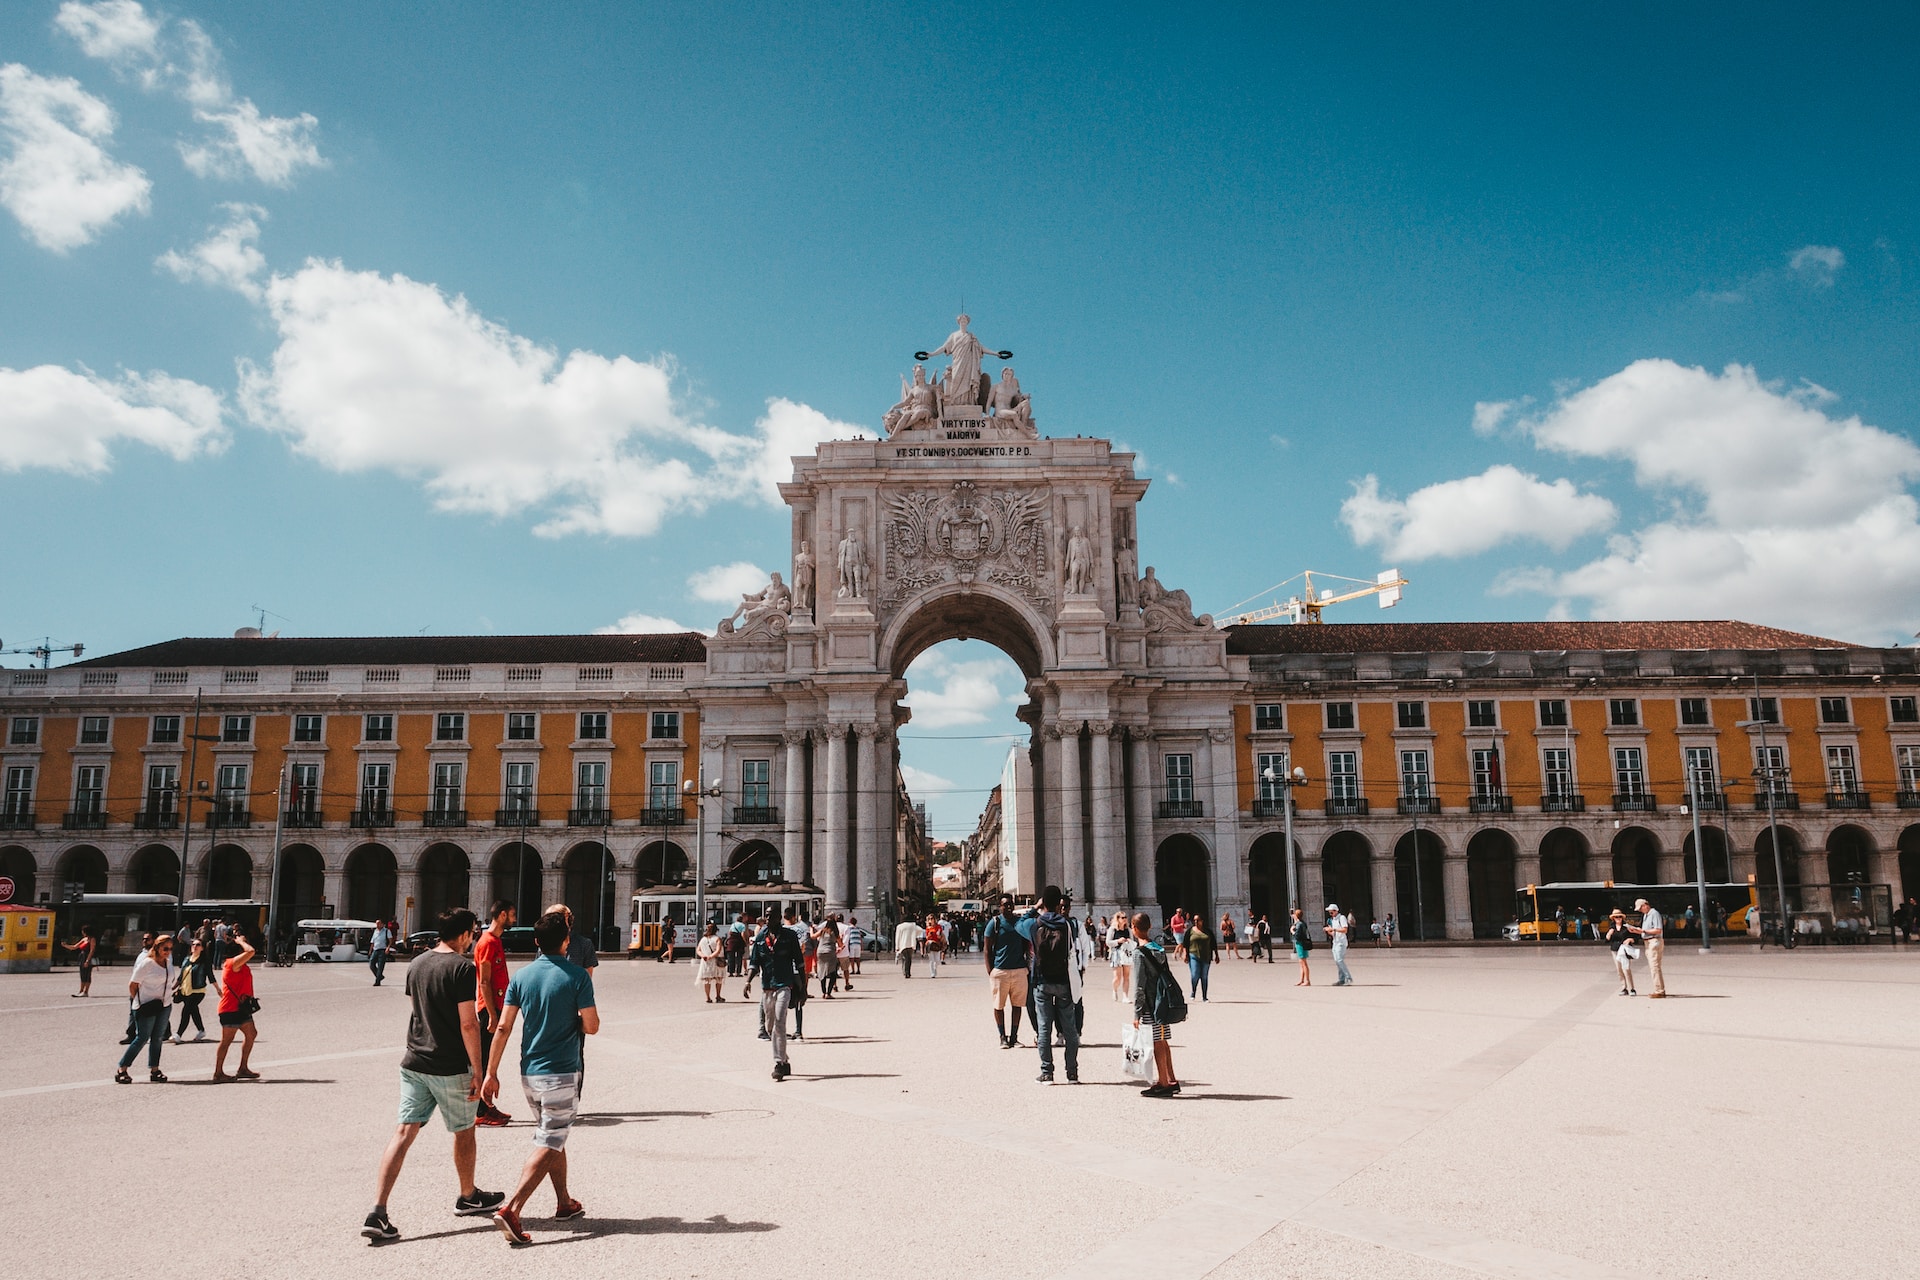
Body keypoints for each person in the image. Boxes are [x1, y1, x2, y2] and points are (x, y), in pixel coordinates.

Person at [361, 908, 504, 1241]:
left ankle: (377, 1211)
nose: (473, 938)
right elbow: (468, 1023)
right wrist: (479, 1070)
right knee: (464, 1131)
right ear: (464, 933)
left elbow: (418, 1011)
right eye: (472, 932)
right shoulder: (461, 968)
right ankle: (468, 1196)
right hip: (450, 1065)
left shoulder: (417, 963)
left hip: (414, 1062)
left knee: (403, 1133)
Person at [482, 910, 599, 1246]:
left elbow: (502, 1027)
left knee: (551, 1133)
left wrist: (491, 1073)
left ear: (536, 942)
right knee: (550, 1139)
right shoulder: (578, 977)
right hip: (561, 1071)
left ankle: (563, 1202)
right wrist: (574, 1021)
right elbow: (591, 1025)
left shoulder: (522, 977)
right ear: (566, 941)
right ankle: (512, 1209)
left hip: (528, 1073)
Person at [1026, 886, 1080, 1084]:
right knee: (1070, 1029)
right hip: (1063, 980)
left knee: (1044, 1028)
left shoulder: (1034, 923)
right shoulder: (1067, 925)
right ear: (1059, 904)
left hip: (1041, 981)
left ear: (1043, 902)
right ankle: (1072, 1073)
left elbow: (1019, 924)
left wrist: (1035, 908)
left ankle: (1047, 1072)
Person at [1130, 911, 1182, 1097]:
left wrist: (1137, 1013)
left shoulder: (1139, 953)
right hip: (1163, 1000)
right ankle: (1171, 1079)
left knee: (1158, 1042)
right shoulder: (1158, 948)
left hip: (1152, 1005)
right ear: (1150, 927)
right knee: (1163, 1040)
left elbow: (1139, 986)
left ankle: (1163, 1083)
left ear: (1134, 929)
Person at [473, 900, 515, 1126]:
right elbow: (485, 981)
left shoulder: (495, 940)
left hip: (496, 1007)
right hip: (489, 1009)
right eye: (511, 914)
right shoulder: (487, 942)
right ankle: (480, 1111)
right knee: (483, 1061)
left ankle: (486, 1106)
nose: (514, 919)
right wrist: (491, 1014)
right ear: (501, 915)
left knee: (489, 1060)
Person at [114, 934, 176, 1084]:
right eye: (165, 948)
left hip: (164, 1005)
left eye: (170, 949)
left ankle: (154, 1069)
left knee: (158, 1038)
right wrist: (139, 1002)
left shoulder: (168, 963)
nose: (168, 951)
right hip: (146, 1005)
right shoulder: (147, 963)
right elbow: (133, 984)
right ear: (157, 947)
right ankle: (122, 1068)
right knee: (142, 1038)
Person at [751, 909, 804, 1081]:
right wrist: (747, 982)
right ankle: (785, 1059)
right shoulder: (760, 938)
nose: (767, 918)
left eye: (770, 915)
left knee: (780, 1022)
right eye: (765, 915)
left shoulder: (789, 936)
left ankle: (779, 1063)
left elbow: (799, 962)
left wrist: (803, 988)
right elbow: (754, 962)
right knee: (770, 1026)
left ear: (778, 918)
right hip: (768, 986)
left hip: (784, 984)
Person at [982, 895, 1032, 1048]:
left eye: (1010, 904)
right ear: (1000, 906)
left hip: (1018, 969)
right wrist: (990, 971)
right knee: (999, 1005)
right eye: (1005, 905)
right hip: (1000, 970)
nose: (1008, 907)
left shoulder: (1019, 922)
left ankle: (1014, 1037)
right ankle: (1002, 1036)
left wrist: (1025, 965)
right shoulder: (995, 923)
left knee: (1017, 1005)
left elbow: (1026, 943)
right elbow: (987, 949)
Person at [212, 926, 260, 1082]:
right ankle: (218, 1072)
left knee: (251, 1034)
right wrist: (241, 942)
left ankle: (243, 1068)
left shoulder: (241, 965)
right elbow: (251, 951)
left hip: (241, 1008)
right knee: (227, 1040)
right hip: (230, 1008)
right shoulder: (232, 964)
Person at [172, 938, 215, 1043]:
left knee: (186, 1011)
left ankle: (178, 1035)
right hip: (185, 991)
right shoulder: (186, 959)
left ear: (202, 948)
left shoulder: (204, 961)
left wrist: (218, 989)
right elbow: (181, 976)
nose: (195, 946)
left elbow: (210, 976)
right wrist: (172, 988)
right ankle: (201, 1030)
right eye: (193, 944)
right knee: (194, 1011)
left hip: (198, 991)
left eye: (198, 945)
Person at [1630, 898, 1666, 998]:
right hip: (1648, 941)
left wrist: (1643, 931)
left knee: (1654, 966)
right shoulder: (1646, 915)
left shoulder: (1654, 914)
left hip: (1654, 941)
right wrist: (1637, 931)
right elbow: (1645, 931)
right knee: (1654, 966)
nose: (1640, 911)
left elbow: (1658, 930)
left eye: (1641, 908)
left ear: (1646, 905)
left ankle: (1659, 990)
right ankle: (1659, 989)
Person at [1603, 909, 1638, 996]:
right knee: (1619, 970)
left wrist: (1630, 939)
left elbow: (1636, 938)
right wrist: (1608, 934)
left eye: (1619, 917)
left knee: (1626, 969)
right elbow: (1607, 940)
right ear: (1613, 918)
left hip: (1625, 950)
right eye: (1616, 917)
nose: (1618, 918)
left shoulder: (1627, 927)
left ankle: (1632, 988)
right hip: (1615, 950)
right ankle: (1624, 987)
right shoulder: (1612, 928)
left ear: (1622, 918)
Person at [1185, 914, 1215, 1000]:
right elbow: (1185, 943)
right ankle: (1193, 991)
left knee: (1204, 976)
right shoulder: (1190, 931)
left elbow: (1213, 943)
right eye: (1194, 920)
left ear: (1202, 921)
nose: (1196, 922)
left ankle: (1204, 996)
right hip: (1193, 955)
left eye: (1198, 920)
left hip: (1206, 956)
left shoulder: (1208, 931)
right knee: (1195, 975)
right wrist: (1185, 954)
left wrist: (1216, 955)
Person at [695, 922, 726, 1003]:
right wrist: (711, 956)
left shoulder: (703, 939)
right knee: (718, 979)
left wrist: (703, 956)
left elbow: (698, 950)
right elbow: (718, 950)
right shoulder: (717, 939)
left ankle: (708, 998)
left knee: (707, 980)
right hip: (716, 961)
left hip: (705, 962)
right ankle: (718, 996)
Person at [64, 925, 98, 997]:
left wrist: (88, 960)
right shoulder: (84, 939)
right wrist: (65, 945)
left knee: (87, 974)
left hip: (88, 956)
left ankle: (86, 991)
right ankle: (81, 990)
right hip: (82, 956)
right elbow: (74, 947)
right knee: (82, 974)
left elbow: (92, 950)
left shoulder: (92, 939)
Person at [813, 916, 841, 997]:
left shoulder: (822, 931)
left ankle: (823, 992)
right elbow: (840, 944)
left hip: (820, 952)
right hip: (830, 952)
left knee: (822, 971)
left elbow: (813, 936)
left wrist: (811, 930)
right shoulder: (835, 932)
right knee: (833, 972)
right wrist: (840, 948)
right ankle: (828, 993)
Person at [1107, 910, 1133, 999]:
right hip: (1116, 953)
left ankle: (1125, 996)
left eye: (1125, 917)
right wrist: (1118, 941)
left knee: (1126, 976)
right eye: (1122, 918)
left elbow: (1132, 941)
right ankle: (1114, 990)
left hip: (1126, 953)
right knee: (1117, 977)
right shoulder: (1112, 929)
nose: (1125, 919)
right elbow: (1108, 942)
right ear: (1117, 919)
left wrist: (1129, 941)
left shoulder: (1128, 930)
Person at [1325, 904, 1352, 987]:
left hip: (1341, 942)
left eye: (1331, 912)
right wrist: (1329, 931)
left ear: (1336, 911)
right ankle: (1341, 979)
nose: (1330, 913)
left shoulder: (1342, 918)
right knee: (1337, 961)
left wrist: (1333, 929)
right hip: (1335, 942)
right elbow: (1334, 933)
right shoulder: (1333, 920)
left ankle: (1348, 978)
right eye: (1329, 912)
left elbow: (1345, 930)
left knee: (1339, 960)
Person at [1289, 907, 1312, 986]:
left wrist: (1292, 930)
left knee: (1303, 962)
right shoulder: (1301, 922)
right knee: (1301, 962)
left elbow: (1297, 935)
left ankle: (1307, 980)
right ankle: (1302, 980)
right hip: (1302, 943)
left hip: (1301, 944)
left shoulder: (1299, 924)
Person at [370, 919, 392, 986]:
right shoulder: (375, 931)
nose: (377, 925)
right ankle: (380, 976)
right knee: (371, 964)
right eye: (376, 924)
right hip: (375, 949)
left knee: (380, 966)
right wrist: (370, 951)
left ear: (382, 924)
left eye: (379, 923)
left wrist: (388, 948)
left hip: (382, 950)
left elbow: (390, 940)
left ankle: (377, 981)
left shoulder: (386, 931)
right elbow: (372, 942)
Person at [924, 913, 945, 978]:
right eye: (929, 919)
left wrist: (939, 936)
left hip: (937, 944)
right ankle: (932, 972)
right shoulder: (928, 928)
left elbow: (941, 935)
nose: (931, 920)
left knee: (937, 960)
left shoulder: (938, 926)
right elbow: (927, 937)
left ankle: (935, 969)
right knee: (931, 960)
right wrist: (929, 935)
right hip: (930, 944)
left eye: (932, 918)